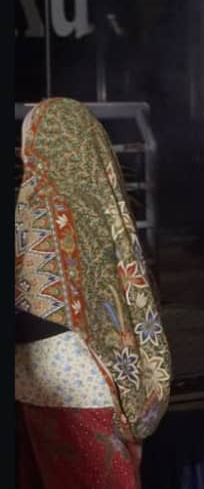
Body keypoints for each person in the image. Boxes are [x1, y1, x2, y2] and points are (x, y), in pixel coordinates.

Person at [15, 98, 171, 489]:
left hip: (55, 383)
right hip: (104, 376)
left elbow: (39, 311)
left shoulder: (39, 203)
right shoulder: (99, 203)